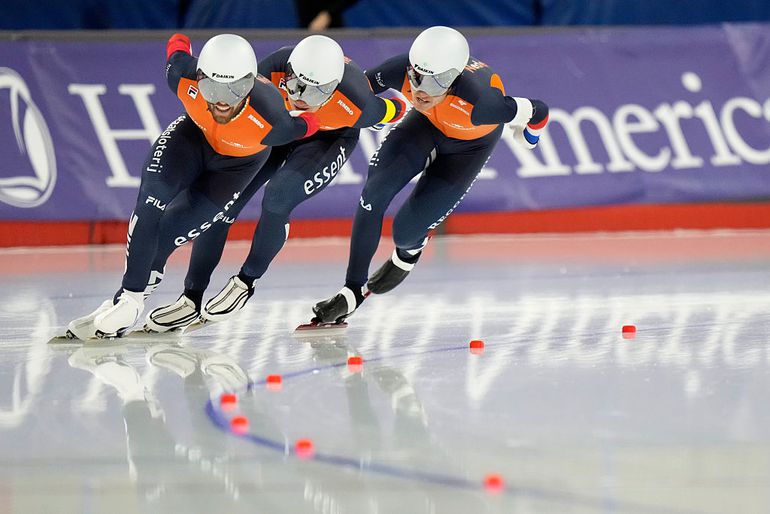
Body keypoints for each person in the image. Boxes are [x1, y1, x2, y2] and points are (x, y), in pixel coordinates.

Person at [142, 35, 407, 333]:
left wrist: (396, 110)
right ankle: (191, 297)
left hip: (329, 141)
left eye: (314, 91)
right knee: (224, 204)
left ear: (333, 89)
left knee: (278, 199)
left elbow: (397, 107)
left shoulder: (359, 104)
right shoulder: (271, 69)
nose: (301, 97)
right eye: (295, 85)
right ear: (289, 72)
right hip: (279, 130)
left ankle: (245, 282)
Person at [65, 33, 320, 339]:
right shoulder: (181, 75)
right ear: (199, 77)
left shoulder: (274, 119)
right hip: (190, 140)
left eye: (236, 88)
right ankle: (129, 299)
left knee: (167, 234)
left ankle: (124, 302)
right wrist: (181, 41)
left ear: (251, 83)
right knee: (151, 203)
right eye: (212, 87)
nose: (223, 100)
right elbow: (177, 45)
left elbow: (306, 125)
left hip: (235, 169)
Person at [310, 26, 550, 326]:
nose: (421, 90)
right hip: (423, 127)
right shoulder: (398, 70)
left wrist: (530, 134)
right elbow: (359, 92)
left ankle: (409, 251)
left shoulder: (483, 104)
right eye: (416, 77)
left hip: (468, 149)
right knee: (374, 192)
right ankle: (353, 288)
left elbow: (539, 110)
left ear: (453, 80)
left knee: (405, 231)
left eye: (435, 82)